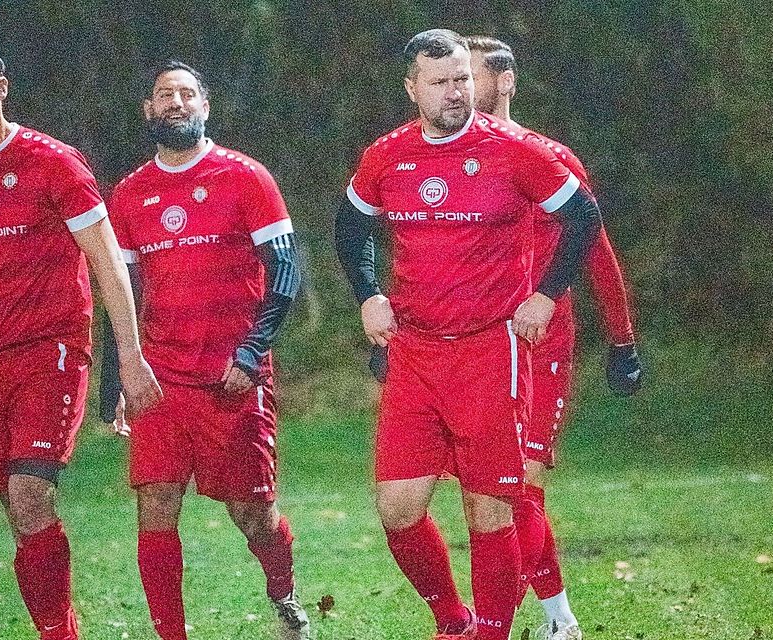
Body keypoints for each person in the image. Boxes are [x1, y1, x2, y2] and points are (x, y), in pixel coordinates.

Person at [335, 29, 602, 640]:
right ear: (412, 89)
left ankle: (490, 632)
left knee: (490, 508)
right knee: (398, 508)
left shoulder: (511, 152)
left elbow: (582, 216)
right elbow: (350, 228)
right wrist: (370, 294)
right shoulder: (387, 156)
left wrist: (544, 293)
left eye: (463, 79)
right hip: (415, 354)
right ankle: (452, 620)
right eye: (441, 82)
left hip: (489, 349)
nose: (457, 93)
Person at [0, 39, 162, 640]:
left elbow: (107, 262)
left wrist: (130, 354)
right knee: (17, 512)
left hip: (51, 352)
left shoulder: (53, 162)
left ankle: (58, 636)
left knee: (28, 493)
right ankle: (57, 624)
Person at [100, 60, 309, 640]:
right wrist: (120, 377)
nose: (175, 102)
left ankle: (284, 594)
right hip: (160, 375)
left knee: (254, 517)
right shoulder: (131, 193)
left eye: (187, 94)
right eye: (164, 94)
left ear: (205, 107)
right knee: (155, 507)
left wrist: (250, 354)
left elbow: (286, 270)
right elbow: (123, 291)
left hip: (231, 376)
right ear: (149, 110)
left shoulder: (245, 177)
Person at [466, 35, 643, 640]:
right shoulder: (445, 161)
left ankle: (555, 620)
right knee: (488, 490)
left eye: (474, 74)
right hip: (473, 346)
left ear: (506, 82)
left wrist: (622, 339)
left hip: (542, 341)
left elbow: (596, 251)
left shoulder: (548, 157)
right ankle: (530, 616)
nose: (461, 86)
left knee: (523, 484)